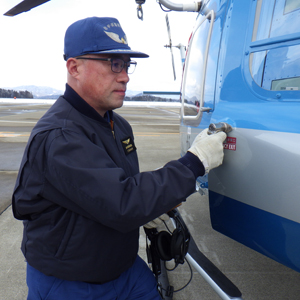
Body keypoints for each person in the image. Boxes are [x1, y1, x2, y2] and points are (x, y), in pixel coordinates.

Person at [12, 17, 227, 300]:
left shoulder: (117, 125)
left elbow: (121, 186)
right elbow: (123, 203)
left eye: (126, 65)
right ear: (74, 68)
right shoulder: (60, 136)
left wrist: (154, 206)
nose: (125, 76)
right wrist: (193, 163)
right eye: (113, 64)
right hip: (71, 281)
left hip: (122, 269)